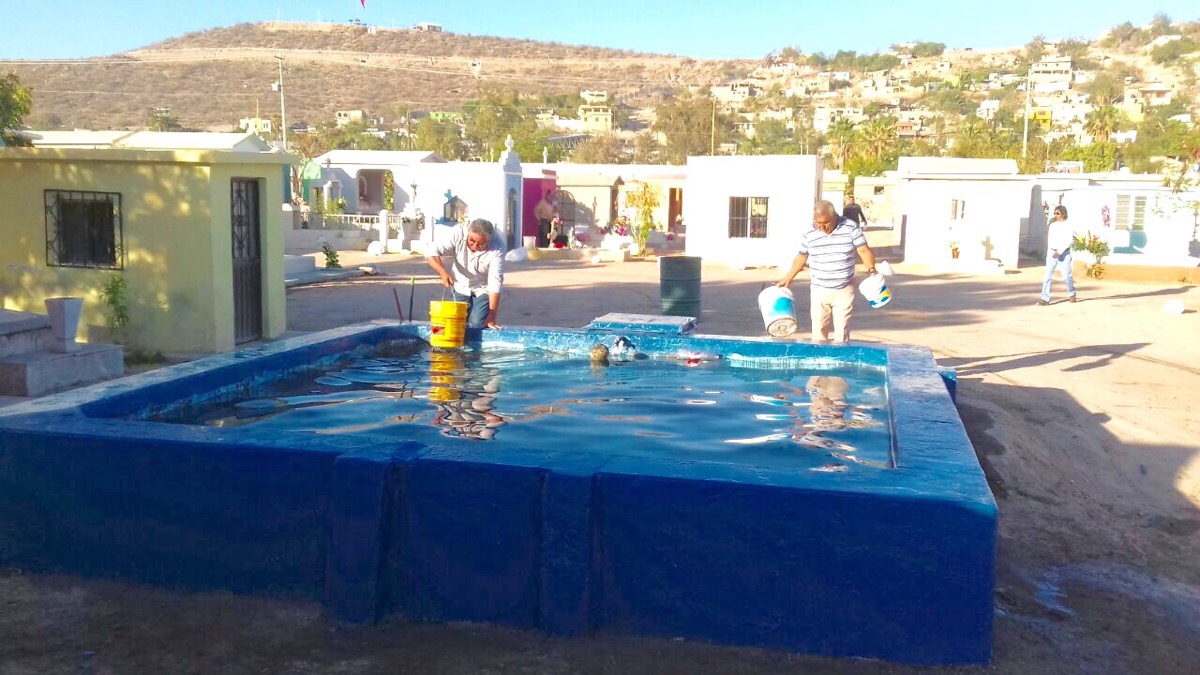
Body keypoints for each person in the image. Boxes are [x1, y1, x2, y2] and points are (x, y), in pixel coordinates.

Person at [777, 200, 877, 344]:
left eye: (826, 222)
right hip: (819, 290)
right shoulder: (809, 231)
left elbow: (863, 250)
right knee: (818, 332)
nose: (822, 227)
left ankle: (841, 362)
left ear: (835, 216)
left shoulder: (850, 227)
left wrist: (872, 270)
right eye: (818, 223)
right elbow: (802, 256)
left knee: (841, 334)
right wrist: (788, 278)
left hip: (844, 289)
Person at [425, 218, 504, 329]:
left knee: (478, 324)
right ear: (467, 233)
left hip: (483, 288)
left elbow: (495, 281)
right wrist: (443, 272)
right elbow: (431, 251)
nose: (475, 247)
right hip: (460, 284)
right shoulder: (458, 232)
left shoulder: (498, 246)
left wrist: (492, 316)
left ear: (489, 241)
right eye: (471, 241)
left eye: (480, 244)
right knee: (456, 324)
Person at [1039, 204, 1076, 305]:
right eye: (1054, 213)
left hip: (1063, 253)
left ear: (1063, 214)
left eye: (1058, 213)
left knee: (1067, 275)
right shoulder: (1052, 226)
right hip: (1052, 252)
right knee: (1047, 275)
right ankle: (1045, 298)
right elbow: (1050, 239)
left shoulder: (1068, 226)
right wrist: (1050, 252)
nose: (1056, 215)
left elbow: (1069, 241)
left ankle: (1071, 292)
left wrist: (1059, 251)